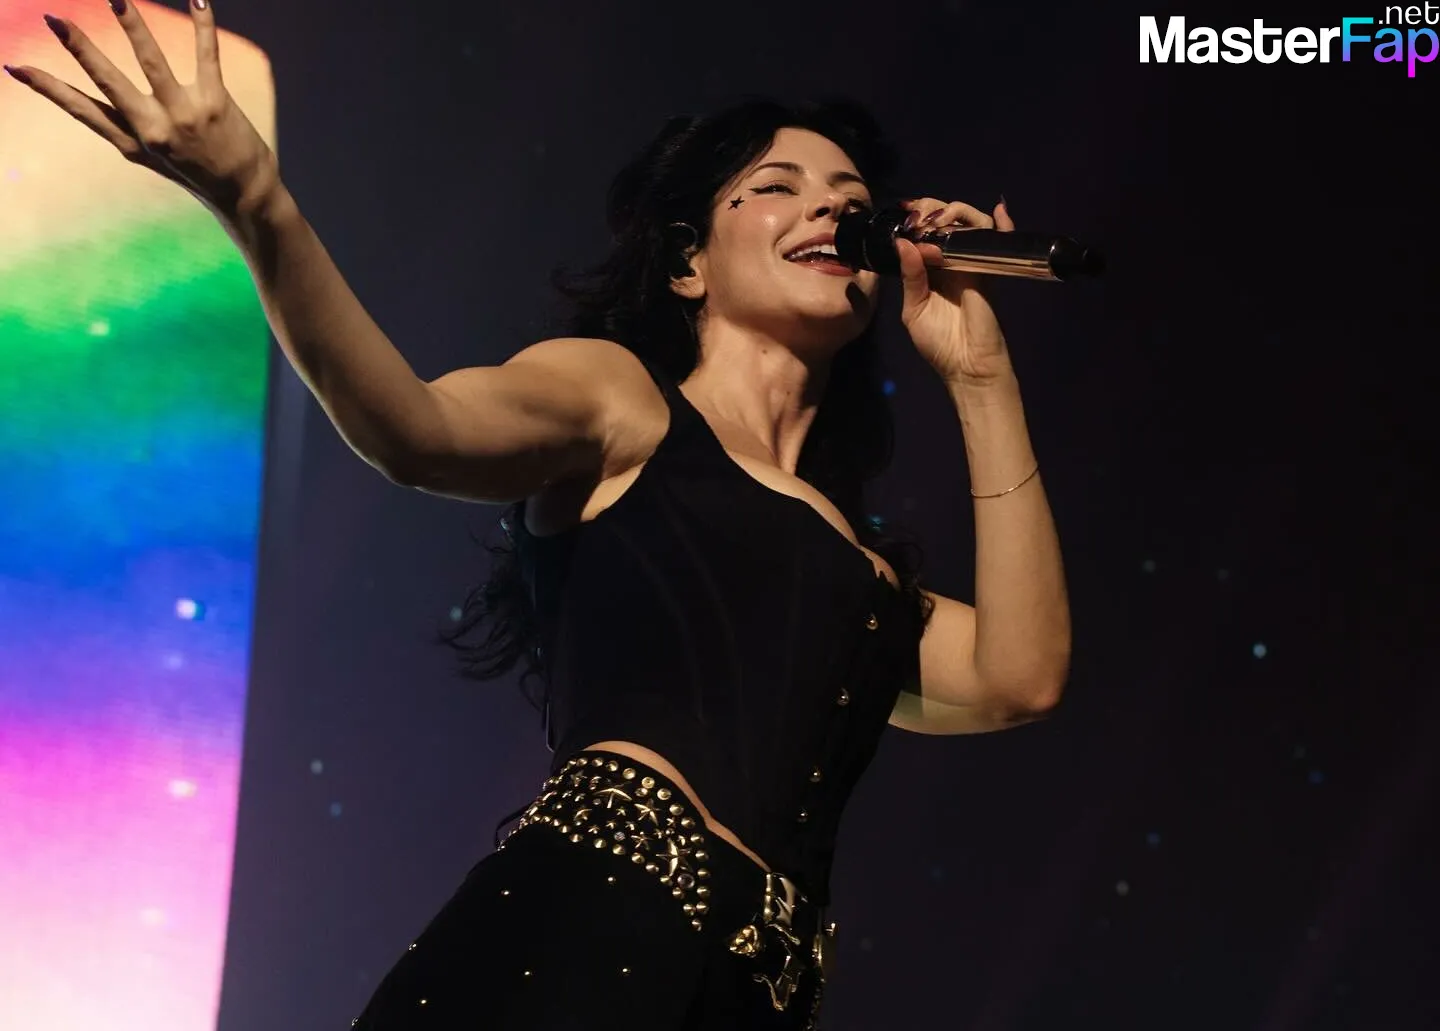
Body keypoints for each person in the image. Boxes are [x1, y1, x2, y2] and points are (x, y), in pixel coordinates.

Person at [9, 4, 1072, 1028]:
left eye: (851, 196)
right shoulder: (622, 400)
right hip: (580, 942)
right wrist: (257, 201)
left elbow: (1021, 674)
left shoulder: (862, 575)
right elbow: (415, 429)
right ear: (688, 262)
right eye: (776, 188)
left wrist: (979, 372)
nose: (831, 212)